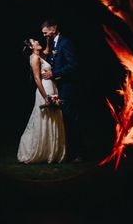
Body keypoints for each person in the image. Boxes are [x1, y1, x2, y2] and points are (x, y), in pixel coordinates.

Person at [17, 38, 66, 164]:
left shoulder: (40, 55)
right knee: (45, 117)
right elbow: (37, 79)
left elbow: (47, 50)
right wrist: (46, 97)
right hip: (45, 89)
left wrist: (48, 40)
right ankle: (39, 151)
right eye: (35, 42)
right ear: (31, 47)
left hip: (52, 87)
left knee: (53, 116)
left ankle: (52, 152)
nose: (38, 41)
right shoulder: (34, 58)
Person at [40, 18, 84, 162]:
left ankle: (78, 154)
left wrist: (54, 73)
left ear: (54, 28)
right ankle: (67, 152)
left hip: (68, 88)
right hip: (59, 88)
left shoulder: (66, 42)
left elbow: (73, 65)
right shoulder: (53, 43)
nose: (45, 35)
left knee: (72, 120)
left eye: (46, 32)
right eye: (43, 34)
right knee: (63, 121)